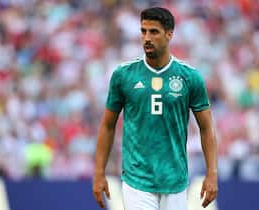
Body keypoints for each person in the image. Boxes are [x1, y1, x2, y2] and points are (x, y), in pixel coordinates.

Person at [93, 7, 218, 210]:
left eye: (154, 32)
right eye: (143, 31)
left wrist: (212, 174)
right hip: (137, 179)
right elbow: (108, 125)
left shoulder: (189, 77)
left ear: (169, 34)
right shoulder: (124, 75)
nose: (147, 38)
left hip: (174, 179)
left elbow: (206, 128)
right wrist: (99, 173)